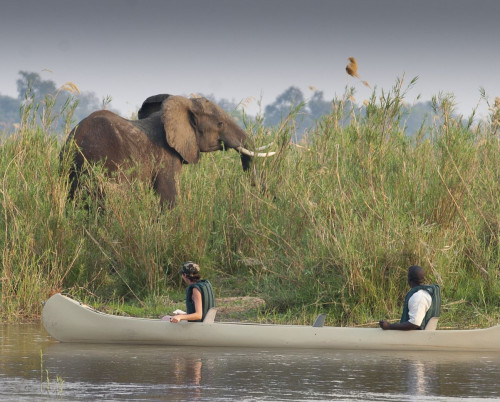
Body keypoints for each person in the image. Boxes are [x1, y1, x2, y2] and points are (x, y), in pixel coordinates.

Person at [379, 265, 441, 331]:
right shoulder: (427, 292)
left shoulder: (418, 297)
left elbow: (414, 324)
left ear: (409, 279)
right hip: (428, 335)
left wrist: (389, 326)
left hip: (418, 337)